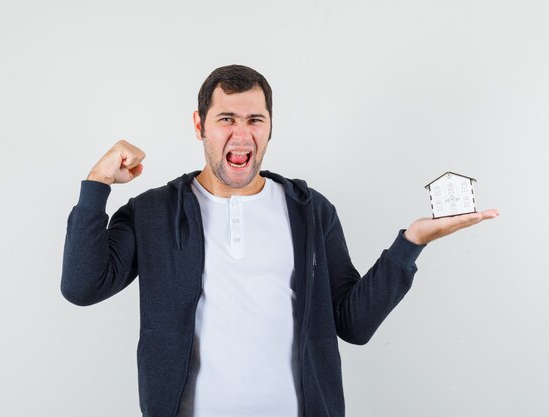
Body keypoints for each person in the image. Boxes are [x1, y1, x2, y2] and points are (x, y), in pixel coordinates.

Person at [61, 64, 498, 417]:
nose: (241, 133)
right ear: (200, 125)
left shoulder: (309, 210)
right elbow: (82, 286)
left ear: (269, 128)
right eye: (226, 119)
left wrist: (411, 242)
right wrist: (97, 182)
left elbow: (353, 324)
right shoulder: (153, 211)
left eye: (255, 119)